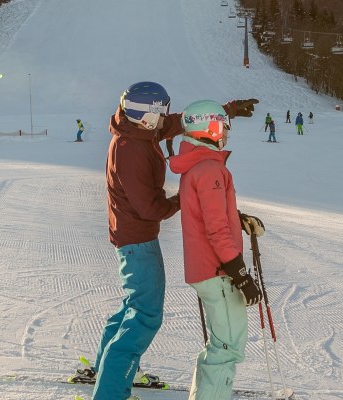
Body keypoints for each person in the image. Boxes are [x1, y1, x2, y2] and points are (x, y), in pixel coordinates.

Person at [84, 81, 256, 400]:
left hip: (134, 237)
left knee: (133, 306)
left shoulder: (139, 130)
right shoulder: (130, 150)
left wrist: (226, 111)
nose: (164, 116)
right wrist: (184, 200)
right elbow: (150, 208)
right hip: (136, 240)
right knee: (146, 314)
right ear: (145, 115)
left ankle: (106, 368)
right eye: (159, 111)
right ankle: (109, 390)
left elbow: (177, 123)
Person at [170, 100, 263, 400]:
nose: (225, 133)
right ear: (210, 128)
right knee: (228, 348)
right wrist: (240, 275)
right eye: (222, 127)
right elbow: (216, 230)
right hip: (218, 272)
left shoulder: (198, 166)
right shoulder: (210, 169)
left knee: (220, 346)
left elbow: (212, 216)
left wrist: (238, 218)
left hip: (210, 271)